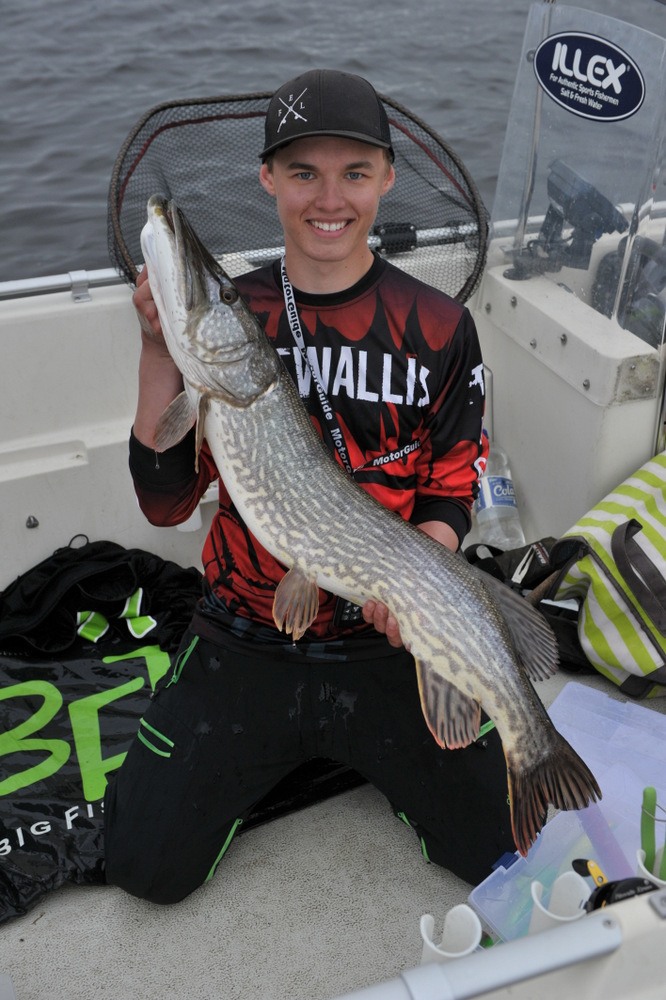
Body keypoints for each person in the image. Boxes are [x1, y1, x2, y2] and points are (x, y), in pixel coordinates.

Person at [104, 68, 513, 903]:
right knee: (143, 865)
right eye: (303, 173)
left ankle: (341, 746)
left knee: (502, 851)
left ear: (386, 177)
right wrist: (156, 349)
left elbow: (450, 482)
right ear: (268, 179)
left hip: (382, 642)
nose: (330, 199)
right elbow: (165, 504)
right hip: (246, 633)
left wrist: (419, 580)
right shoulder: (241, 315)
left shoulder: (440, 326)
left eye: (354, 173)